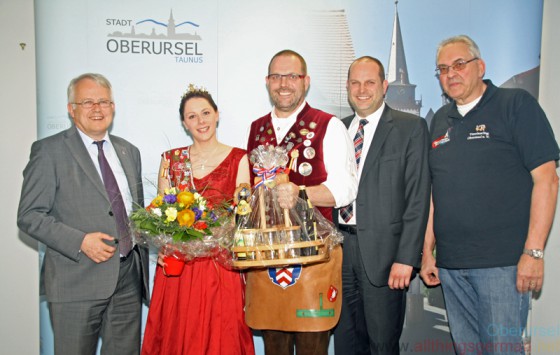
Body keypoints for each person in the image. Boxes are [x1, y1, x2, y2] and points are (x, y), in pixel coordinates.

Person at [420, 35, 559, 354]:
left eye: (459, 64)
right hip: (452, 266)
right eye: (442, 68)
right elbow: (433, 192)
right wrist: (428, 251)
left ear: (480, 66)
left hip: (504, 266)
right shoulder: (440, 121)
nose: (451, 74)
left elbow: (548, 181)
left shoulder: (516, 105)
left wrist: (534, 253)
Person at [17, 73, 149, 355]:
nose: (97, 108)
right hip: (75, 280)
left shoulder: (129, 151)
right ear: (71, 109)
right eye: (87, 101)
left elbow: (132, 213)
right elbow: (29, 214)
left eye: (103, 101)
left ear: (113, 107)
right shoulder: (49, 151)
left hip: (127, 280)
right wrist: (80, 241)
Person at [245, 49, 358, 355]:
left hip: (313, 258)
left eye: (292, 76)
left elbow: (346, 189)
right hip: (267, 256)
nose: (284, 83)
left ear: (306, 81)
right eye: (277, 76)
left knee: (312, 345)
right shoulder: (256, 129)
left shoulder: (329, 125)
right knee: (274, 346)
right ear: (267, 82)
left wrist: (301, 192)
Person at [141, 85, 254, 355]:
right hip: (180, 264)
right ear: (184, 123)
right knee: (178, 332)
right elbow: (160, 213)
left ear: (217, 115)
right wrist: (165, 241)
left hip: (220, 266)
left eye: (205, 113)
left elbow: (243, 213)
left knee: (222, 335)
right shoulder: (172, 160)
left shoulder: (239, 158)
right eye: (192, 116)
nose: (200, 121)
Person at [332, 56, 431, 354]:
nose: (362, 90)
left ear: (384, 86)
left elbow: (417, 198)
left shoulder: (410, 128)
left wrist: (407, 258)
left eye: (370, 82)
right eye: (355, 83)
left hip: (386, 258)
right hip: (338, 253)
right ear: (347, 87)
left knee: (382, 345)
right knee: (346, 345)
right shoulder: (336, 129)